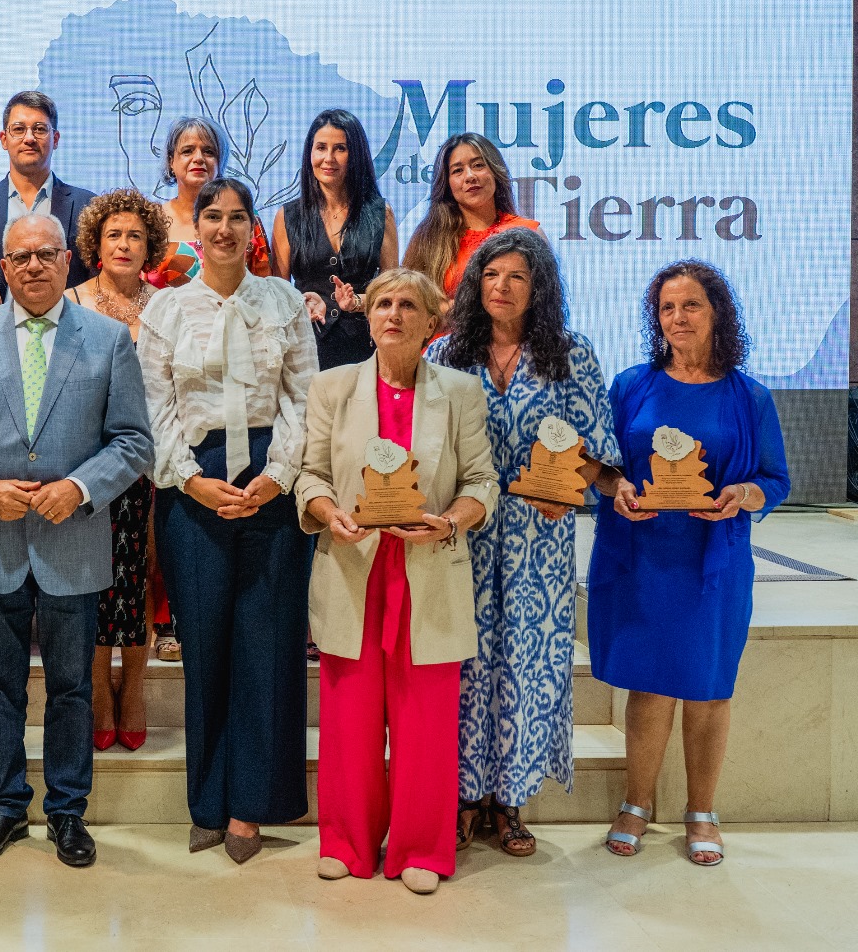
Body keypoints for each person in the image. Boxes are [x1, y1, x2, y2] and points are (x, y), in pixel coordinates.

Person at [0, 213, 154, 869]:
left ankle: (68, 812)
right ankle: (3, 807)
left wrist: (78, 488)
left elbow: (135, 442)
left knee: (73, 687)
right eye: (19, 256)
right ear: (3, 265)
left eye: (46, 254)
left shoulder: (108, 340)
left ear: (65, 260)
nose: (33, 266)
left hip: (70, 541)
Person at [296, 267, 497, 894]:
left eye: (408, 305)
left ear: (431, 323)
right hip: (355, 570)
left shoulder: (461, 392)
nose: (392, 314)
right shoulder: (331, 387)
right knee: (350, 721)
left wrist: (450, 523)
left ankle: (421, 849)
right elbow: (309, 474)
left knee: (427, 725)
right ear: (368, 315)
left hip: (428, 571)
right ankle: (349, 843)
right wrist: (330, 513)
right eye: (382, 302)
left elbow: (482, 483)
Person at [138, 177, 317, 864]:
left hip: (273, 477)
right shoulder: (167, 310)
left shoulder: (282, 302)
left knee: (267, 647)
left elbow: (305, 397)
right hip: (195, 483)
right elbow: (155, 408)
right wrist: (191, 480)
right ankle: (207, 801)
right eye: (212, 216)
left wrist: (279, 476)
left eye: (238, 218)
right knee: (207, 645)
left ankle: (251, 806)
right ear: (197, 227)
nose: (224, 229)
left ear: (253, 230)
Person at [425, 229, 621, 856]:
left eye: (517, 276)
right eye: (491, 275)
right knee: (467, 666)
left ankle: (511, 802)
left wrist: (568, 488)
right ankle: (463, 796)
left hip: (540, 537)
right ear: (474, 284)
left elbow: (599, 455)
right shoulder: (449, 354)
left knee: (529, 666)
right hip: (465, 535)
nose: (502, 287)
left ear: (539, 287)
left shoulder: (571, 354)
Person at [589, 260, 788, 867]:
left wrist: (743, 496)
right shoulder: (630, 386)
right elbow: (600, 465)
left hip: (713, 563)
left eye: (691, 306)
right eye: (668, 308)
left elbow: (773, 480)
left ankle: (702, 811)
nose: (678, 317)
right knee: (648, 686)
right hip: (643, 556)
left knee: (707, 687)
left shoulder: (749, 396)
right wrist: (615, 486)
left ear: (717, 312)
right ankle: (637, 804)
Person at [64, 190, 169, 752]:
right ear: (95, 246)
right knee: (96, 581)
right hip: (86, 461)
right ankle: (100, 692)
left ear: (149, 243)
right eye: (113, 235)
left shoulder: (167, 304)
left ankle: (135, 687)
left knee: (140, 576)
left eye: (134, 235)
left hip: (152, 459)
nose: (124, 244)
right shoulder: (72, 300)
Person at [271, 109, 399, 370]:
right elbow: (276, 295)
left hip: (366, 348)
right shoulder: (287, 216)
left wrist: (357, 303)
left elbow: (392, 289)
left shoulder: (380, 213)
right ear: (310, 154)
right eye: (321, 148)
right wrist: (299, 306)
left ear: (356, 155)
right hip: (305, 348)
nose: (328, 158)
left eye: (339, 148)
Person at [0, 91, 98, 294]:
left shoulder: (88, 206)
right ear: (3, 139)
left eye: (39, 129)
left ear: (55, 139)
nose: (29, 138)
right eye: (18, 129)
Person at [403, 132, 539, 301]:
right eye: (458, 170)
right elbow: (407, 300)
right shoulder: (428, 237)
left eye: (478, 165)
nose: (470, 176)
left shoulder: (527, 232)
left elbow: (545, 303)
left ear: (496, 172)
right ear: (446, 183)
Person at [146, 117, 272, 288]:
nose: (198, 158)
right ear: (171, 161)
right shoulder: (151, 221)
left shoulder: (244, 217)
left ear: (220, 162)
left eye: (209, 152)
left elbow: (265, 286)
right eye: (187, 151)